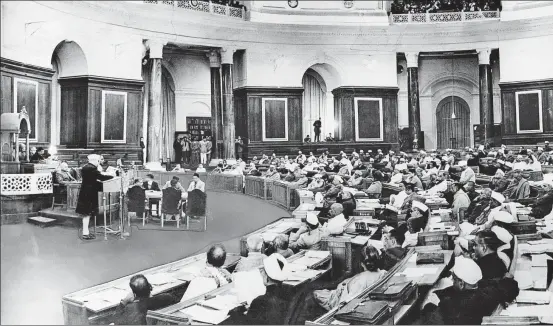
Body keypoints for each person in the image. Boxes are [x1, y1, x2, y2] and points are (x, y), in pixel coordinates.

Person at [313, 246, 385, 311]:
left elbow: (344, 306)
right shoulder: (383, 273)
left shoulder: (360, 282)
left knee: (314, 293)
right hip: (344, 289)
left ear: (362, 264)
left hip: (339, 297)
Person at [230, 253, 291, 325]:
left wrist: (236, 312)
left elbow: (247, 323)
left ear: (267, 278)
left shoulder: (260, 301)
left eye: (263, 271)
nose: (261, 273)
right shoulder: (286, 294)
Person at [75, 154, 114, 240]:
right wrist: (112, 176)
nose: (99, 162)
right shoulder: (91, 168)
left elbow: (93, 179)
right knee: (87, 214)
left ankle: (86, 232)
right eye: (98, 161)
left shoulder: (86, 167)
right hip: (89, 193)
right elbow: (101, 177)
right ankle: (85, 233)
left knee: (86, 214)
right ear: (95, 160)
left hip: (85, 192)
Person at [114, 274, 179, 325]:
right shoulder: (167, 297)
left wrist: (124, 302)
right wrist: (151, 298)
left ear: (134, 293)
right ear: (150, 287)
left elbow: (116, 322)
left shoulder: (130, 309)